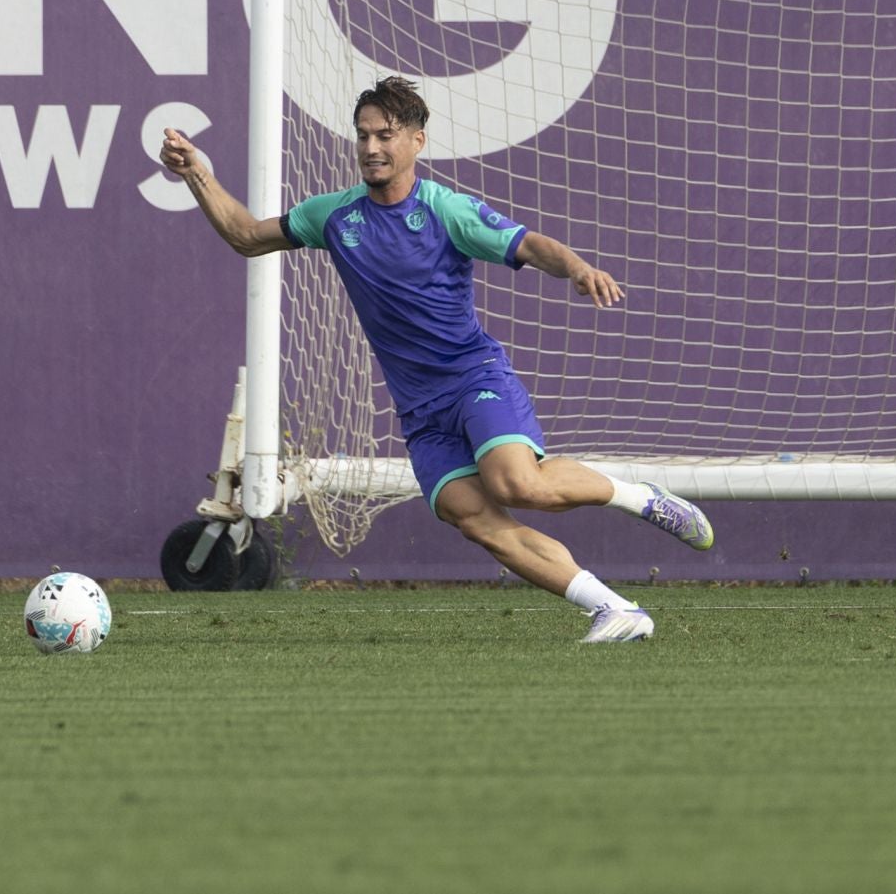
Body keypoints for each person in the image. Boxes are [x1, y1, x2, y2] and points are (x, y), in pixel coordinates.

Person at [160, 76, 714, 643]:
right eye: (363, 135)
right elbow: (247, 235)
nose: (372, 148)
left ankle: (640, 498)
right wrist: (197, 172)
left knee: (518, 486)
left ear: (417, 142)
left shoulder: (446, 210)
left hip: (475, 379)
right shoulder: (333, 216)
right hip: (420, 410)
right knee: (472, 517)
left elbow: (529, 244)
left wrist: (576, 268)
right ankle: (615, 609)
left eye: (386, 135)